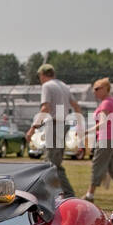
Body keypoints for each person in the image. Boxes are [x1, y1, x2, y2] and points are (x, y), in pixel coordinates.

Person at [26, 63, 82, 197]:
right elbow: (76, 106)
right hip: (63, 124)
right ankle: (56, 192)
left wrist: (33, 128)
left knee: (51, 164)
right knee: (53, 163)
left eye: (39, 76)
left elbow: (45, 108)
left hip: (54, 124)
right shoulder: (63, 85)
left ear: (42, 75)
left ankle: (65, 193)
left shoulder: (47, 86)